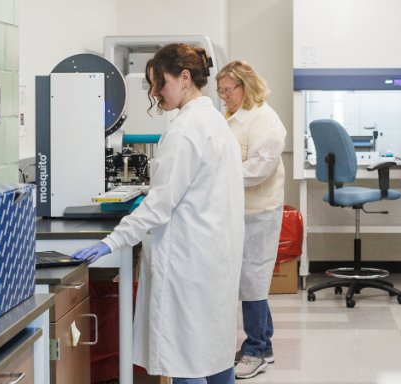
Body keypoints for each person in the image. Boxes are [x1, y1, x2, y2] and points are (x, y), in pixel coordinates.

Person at [71, 43, 244, 384]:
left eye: (158, 83)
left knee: (187, 360)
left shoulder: (184, 130)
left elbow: (158, 206)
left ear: (184, 78)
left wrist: (112, 241)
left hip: (188, 265)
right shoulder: (216, 122)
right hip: (215, 260)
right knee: (215, 354)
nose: (154, 93)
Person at [215, 61, 286, 380]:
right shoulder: (232, 117)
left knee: (253, 279)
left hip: (258, 211)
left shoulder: (265, 118)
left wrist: (218, 175)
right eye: (221, 91)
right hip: (239, 209)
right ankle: (262, 344)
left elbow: (261, 168)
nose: (224, 96)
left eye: (228, 90)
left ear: (246, 86)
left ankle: (257, 349)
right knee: (248, 278)